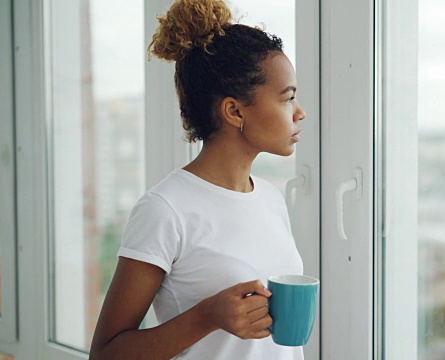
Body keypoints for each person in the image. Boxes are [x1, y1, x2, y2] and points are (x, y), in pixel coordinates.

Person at [89, 0, 306, 358]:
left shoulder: (270, 198)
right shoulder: (165, 210)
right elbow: (105, 354)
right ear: (235, 111)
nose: (300, 112)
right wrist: (207, 315)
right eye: (288, 98)